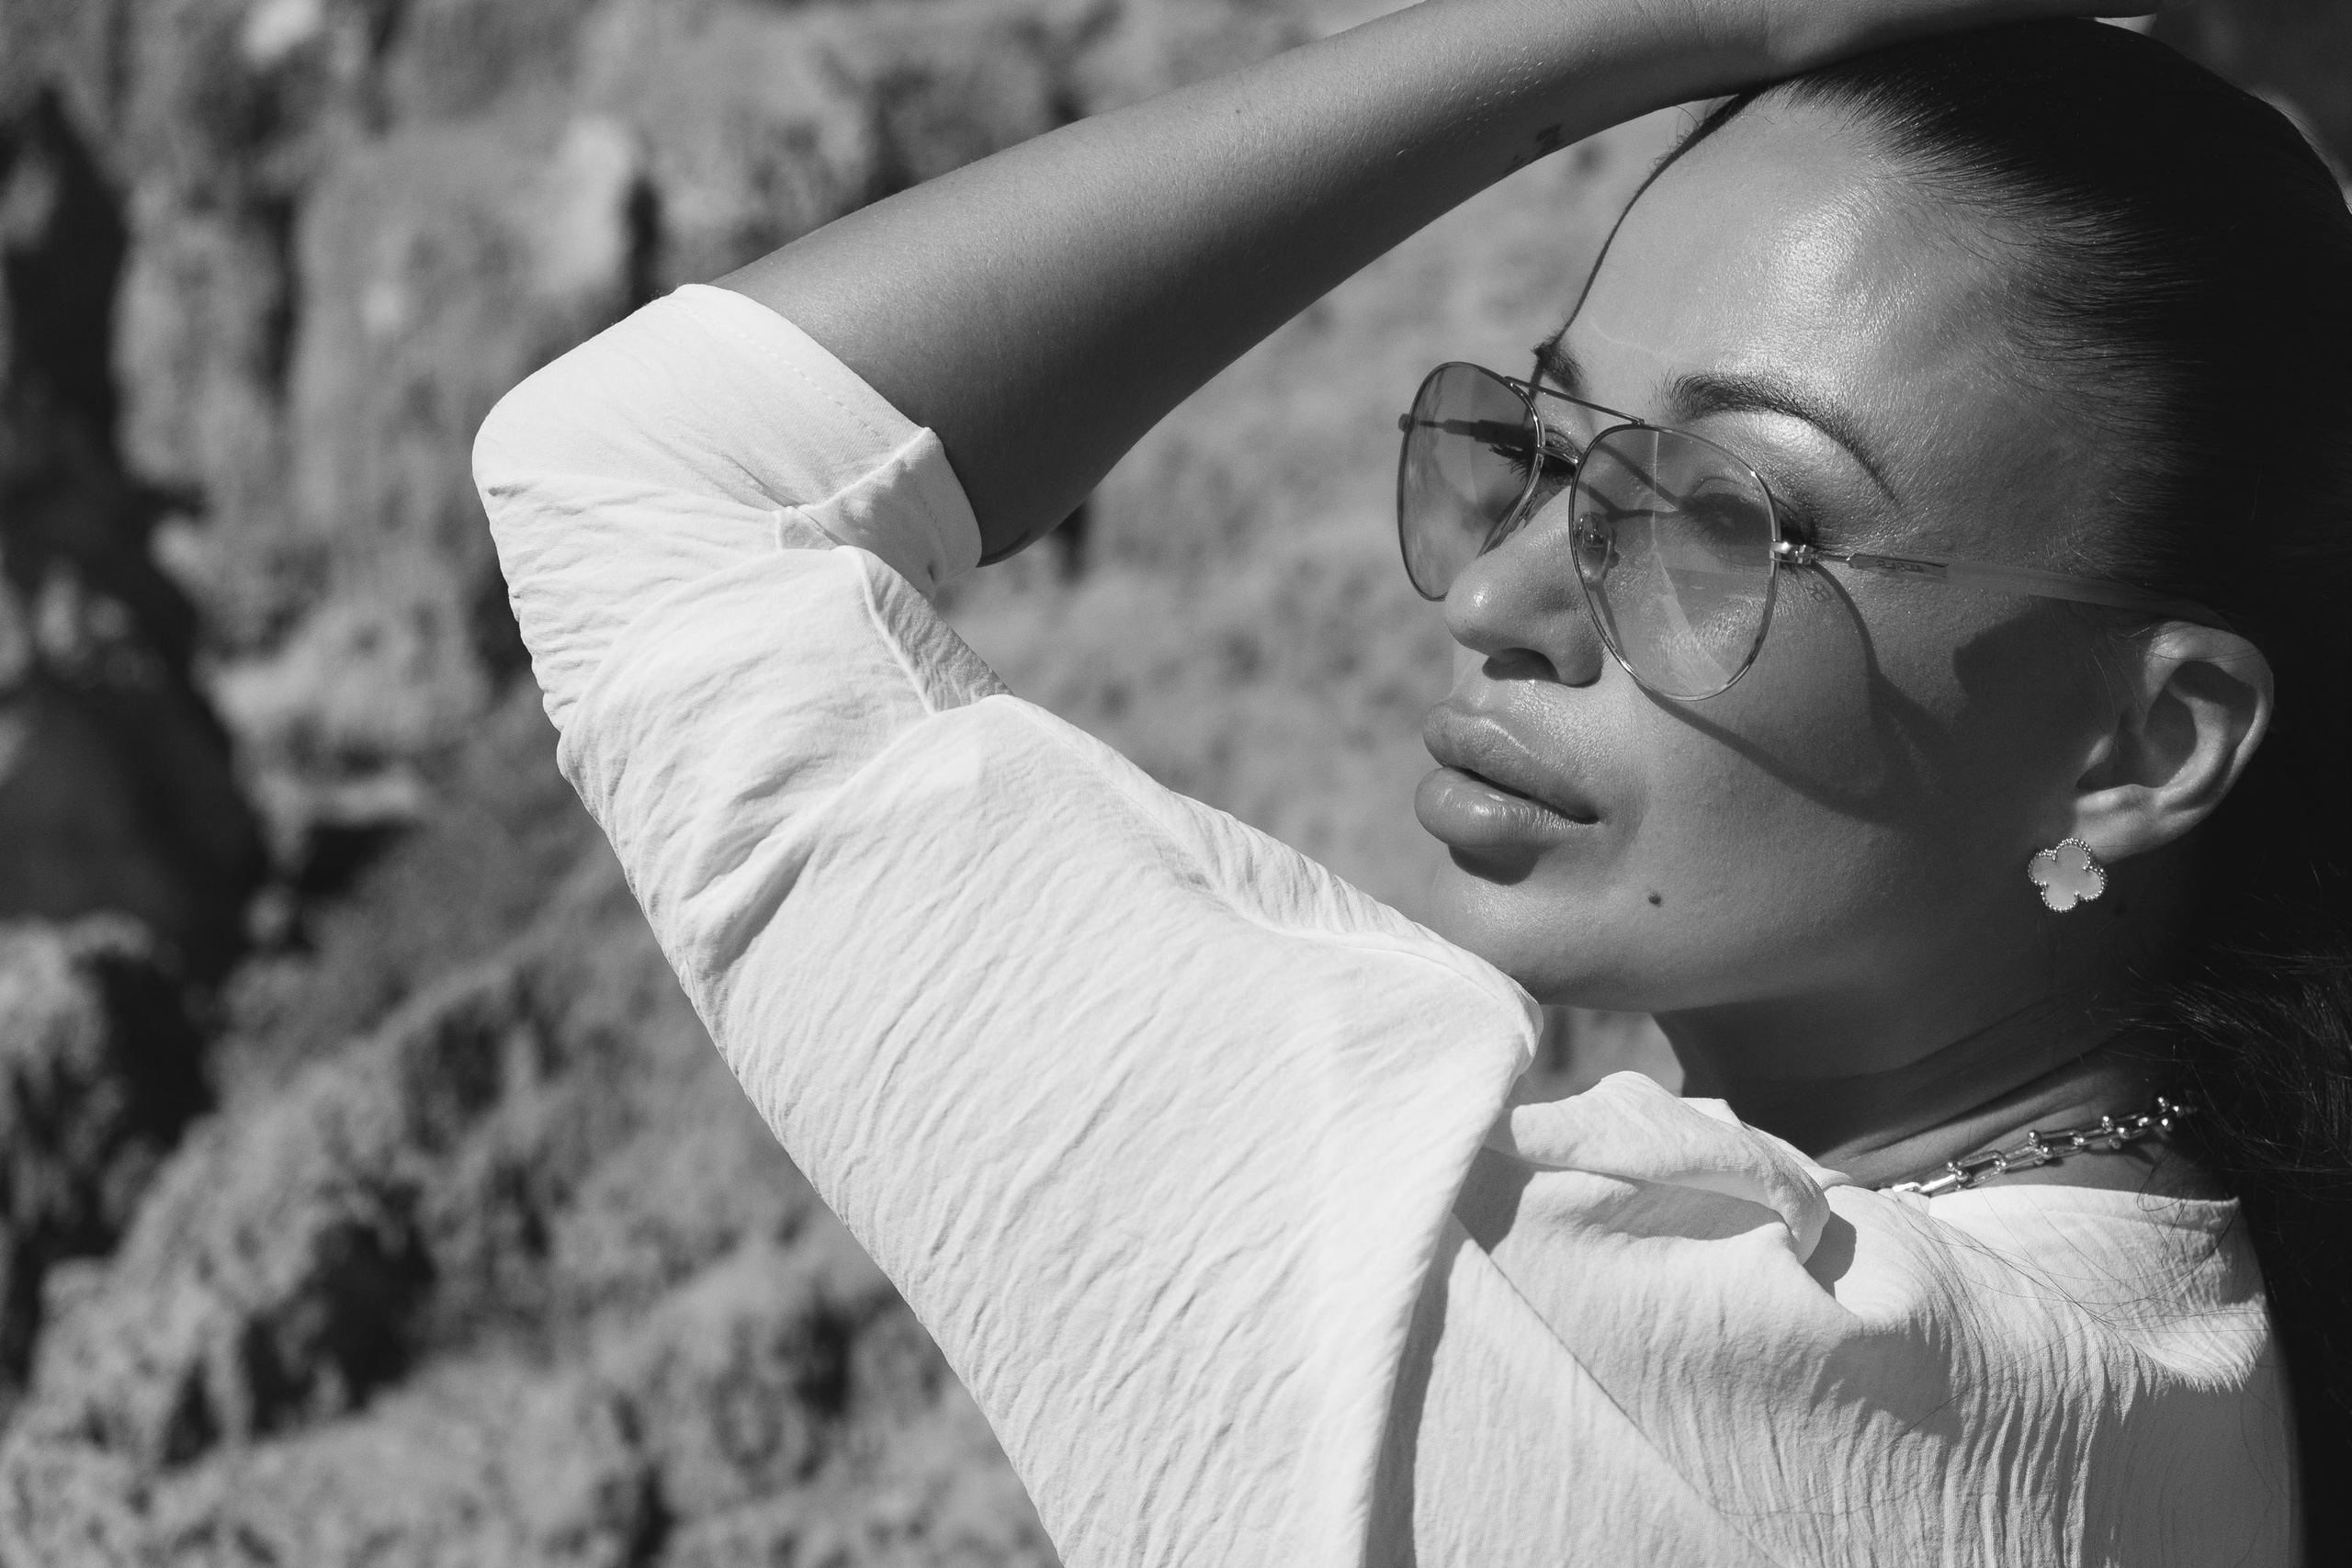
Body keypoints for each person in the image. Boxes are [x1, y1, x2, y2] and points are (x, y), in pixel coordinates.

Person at [472, 0, 2352, 1557]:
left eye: (1726, 518)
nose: (1493, 593)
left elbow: (643, 482)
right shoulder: (2174, 1340)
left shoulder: (1585, 1326)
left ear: (2139, 745)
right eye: (1541, 449)